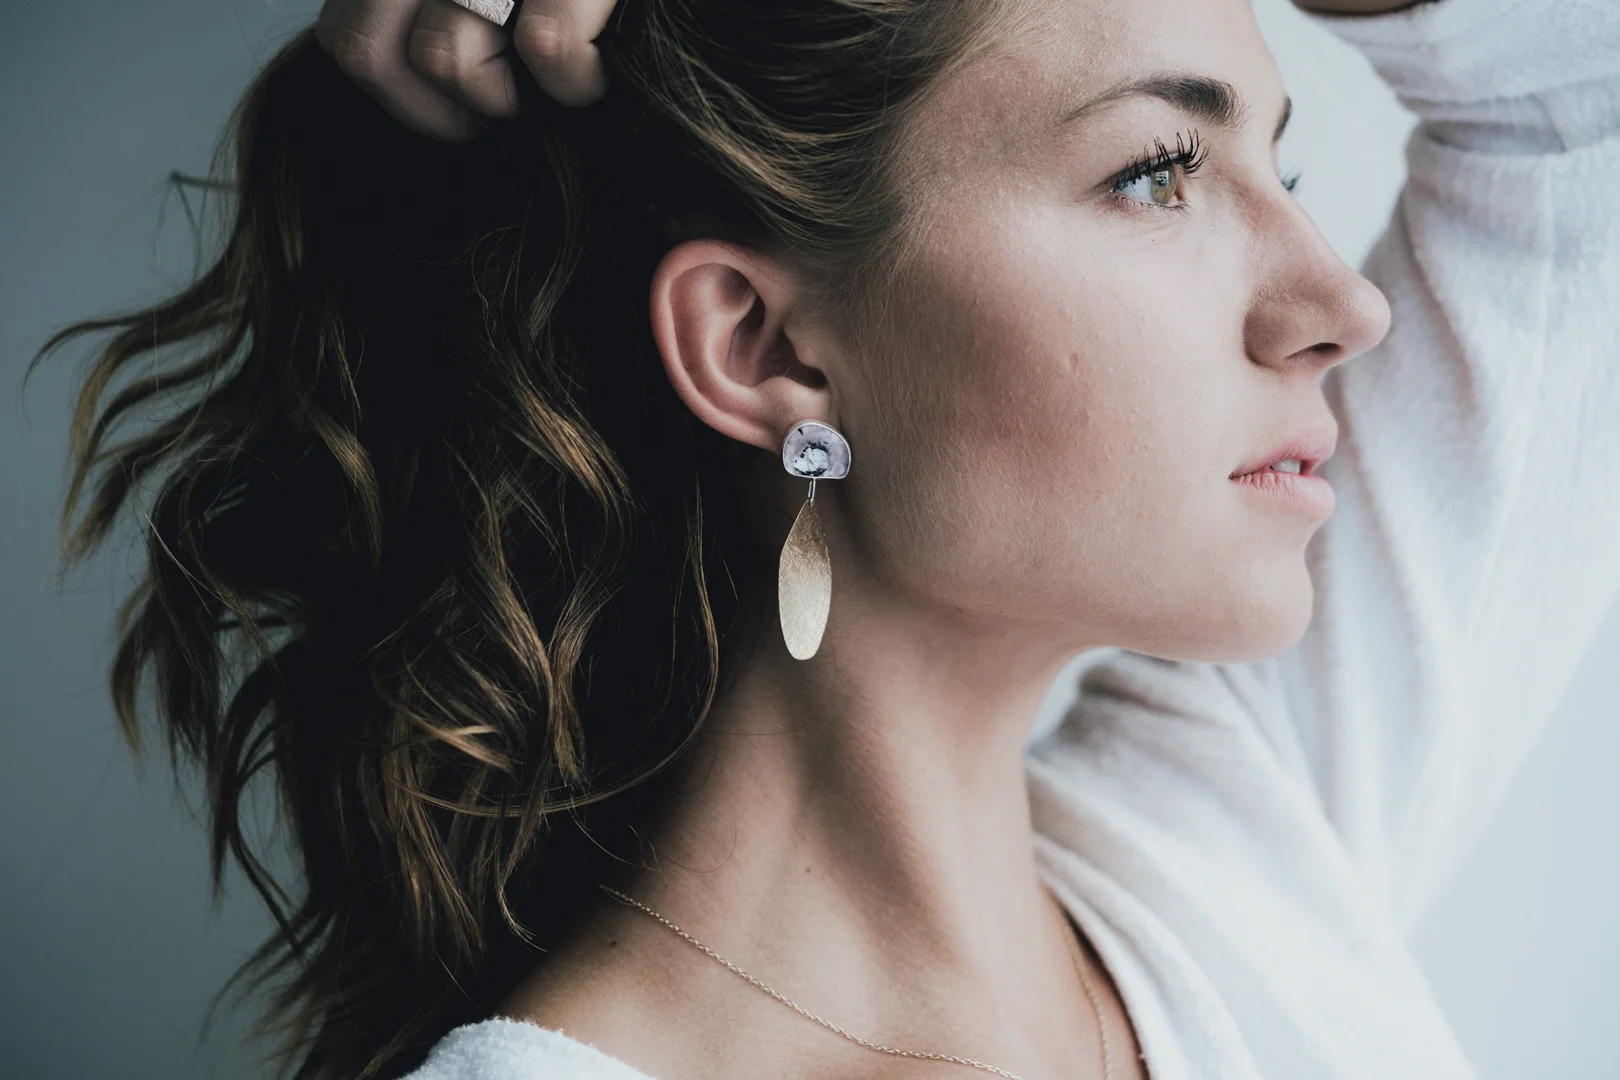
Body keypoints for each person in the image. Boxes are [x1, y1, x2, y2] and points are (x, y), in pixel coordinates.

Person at [32, 0, 1619, 1077]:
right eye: (1156, 174)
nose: (1343, 305)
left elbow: (1576, 104)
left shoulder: (1235, 850)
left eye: (1287, 168)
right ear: (761, 346)